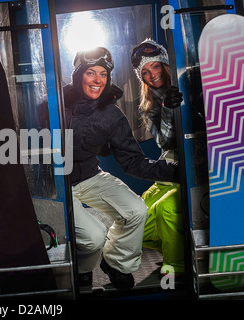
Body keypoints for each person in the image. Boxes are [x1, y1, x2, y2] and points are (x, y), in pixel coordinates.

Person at [64, 46, 179, 289]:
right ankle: (84, 268)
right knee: (93, 237)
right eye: (90, 73)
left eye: (103, 74)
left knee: (136, 210)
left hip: (90, 176)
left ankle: (115, 262)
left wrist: (175, 171)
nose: (98, 80)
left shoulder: (111, 114)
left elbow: (132, 161)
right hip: (58, 182)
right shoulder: (55, 104)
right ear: (78, 75)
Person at [131, 39, 185, 275]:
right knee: (134, 221)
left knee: (166, 210)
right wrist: (166, 108)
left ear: (165, 64)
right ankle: (176, 245)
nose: (152, 75)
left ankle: (179, 266)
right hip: (166, 172)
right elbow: (164, 141)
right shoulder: (149, 104)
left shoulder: (189, 84)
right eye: (145, 71)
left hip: (189, 171)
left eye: (155, 66)